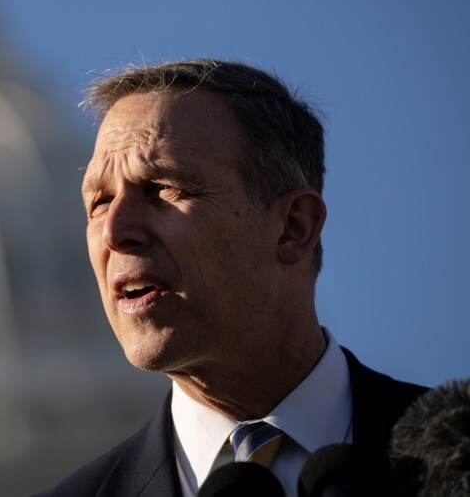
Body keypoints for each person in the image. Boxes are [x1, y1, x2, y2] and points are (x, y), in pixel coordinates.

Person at [33, 59, 427, 497]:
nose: (114, 231)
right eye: (100, 202)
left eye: (163, 188)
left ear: (293, 227)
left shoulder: (452, 455)